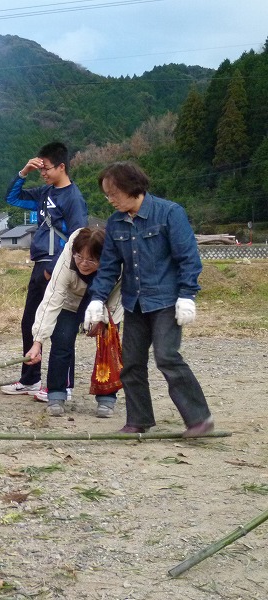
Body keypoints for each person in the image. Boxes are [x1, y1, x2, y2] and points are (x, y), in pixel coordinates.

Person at [84, 161, 214, 437]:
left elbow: (188, 258)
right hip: (134, 303)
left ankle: (199, 420)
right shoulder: (115, 223)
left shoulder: (169, 213)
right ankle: (138, 420)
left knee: (167, 356)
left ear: (132, 187)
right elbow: (108, 268)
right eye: (107, 195)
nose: (110, 200)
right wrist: (97, 300)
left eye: (114, 193)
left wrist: (187, 295)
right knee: (131, 363)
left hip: (167, 300)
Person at [0, 141, 88, 400]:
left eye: (46, 168)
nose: (44, 173)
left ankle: (63, 386)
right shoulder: (43, 193)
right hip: (39, 266)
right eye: (40, 170)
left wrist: (58, 267)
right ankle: (31, 379)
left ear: (61, 167)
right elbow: (12, 198)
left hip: (59, 268)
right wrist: (23, 172)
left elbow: (79, 238)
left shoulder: (73, 198)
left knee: (61, 328)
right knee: (30, 323)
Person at [25, 227, 123, 417]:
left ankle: (107, 397)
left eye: (91, 260)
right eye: (79, 257)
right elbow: (52, 298)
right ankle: (56, 394)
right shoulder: (68, 258)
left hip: (106, 302)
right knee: (61, 342)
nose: (83, 264)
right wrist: (37, 341)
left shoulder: (117, 263)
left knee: (107, 345)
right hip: (69, 301)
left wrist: (103, 319)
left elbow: (118, 297)